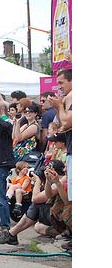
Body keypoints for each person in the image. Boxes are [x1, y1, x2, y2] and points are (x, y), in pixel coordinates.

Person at [49, 68, 72, 204]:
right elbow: (62, 126)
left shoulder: (73, 96)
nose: (59, 86)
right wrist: (58, 108)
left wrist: (60, 107)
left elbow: (66, 121)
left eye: (61, 82)